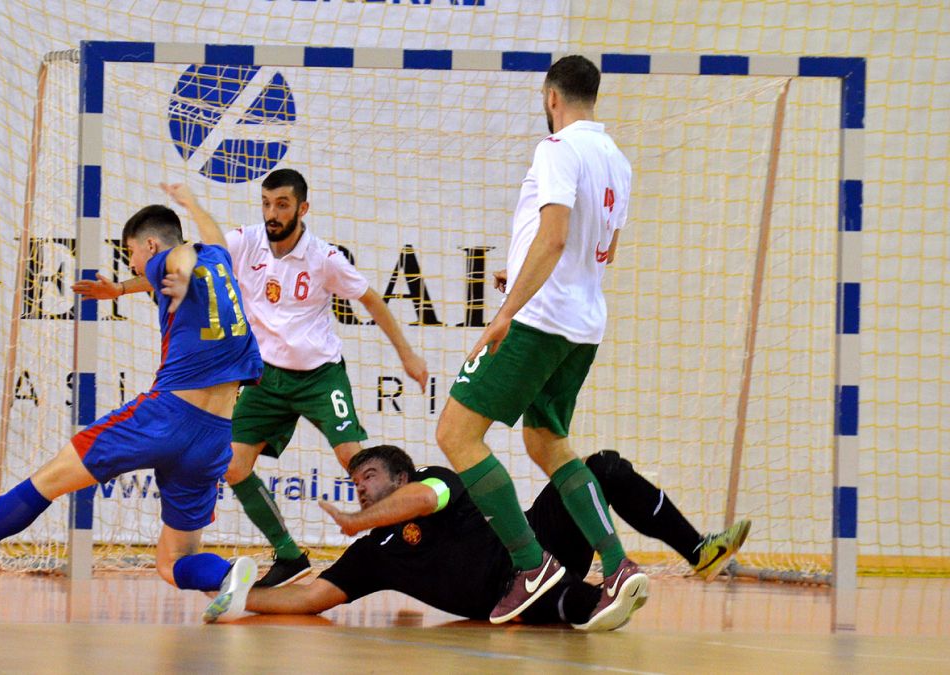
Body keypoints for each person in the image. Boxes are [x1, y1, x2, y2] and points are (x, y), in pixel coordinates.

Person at [0, 203, 263, 620]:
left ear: (151, 244)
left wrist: (179, 271)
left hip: (164, 417)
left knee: (49, 479)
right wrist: (187, 208)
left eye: (131, 252)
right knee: (172, 562)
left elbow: (180, 256)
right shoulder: (220, 261)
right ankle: (226, 573)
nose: (131, 262)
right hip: (214, 435)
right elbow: (209, 240)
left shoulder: (173, 259)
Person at [435, 54, 640, 627]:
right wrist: (522, 269)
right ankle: (618, 563)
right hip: (583, 323)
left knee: (456, 432)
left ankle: (531, 564)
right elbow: (601, 250)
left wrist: (506, 311)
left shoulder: (557, 149)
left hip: (539, 320)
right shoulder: (617, 162)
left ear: (552, 98)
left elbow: (552, 238)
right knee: (546, 440)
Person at [163, 170, 429, 588]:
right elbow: (193, 258)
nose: (272, 212)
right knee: (233, 466)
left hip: (320, 377)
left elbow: (372, 299)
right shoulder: (246, 242)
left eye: (282, 204)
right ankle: (289, 555)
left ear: (303, 208)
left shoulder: (324, 258)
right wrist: (123, 288)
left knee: (356, 463)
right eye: (267, 203)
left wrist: (408, 354)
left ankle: (409, 543)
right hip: (264, 379)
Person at [206, 444, 751, 629]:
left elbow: (423, 501)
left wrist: (354, 520)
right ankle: (603, 595)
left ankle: (698, 551)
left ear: (401, 475)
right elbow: (309, 596)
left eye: (369, 477)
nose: (361, 490)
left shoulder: (434, 483)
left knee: (602, 467)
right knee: (587, 617)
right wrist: (237, 599)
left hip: (534, 549)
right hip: (511, 602)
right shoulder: (370, 552)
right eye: (354, 484)